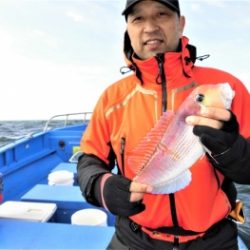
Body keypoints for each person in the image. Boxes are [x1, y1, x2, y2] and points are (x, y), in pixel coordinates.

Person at [77, 0, 250, 249]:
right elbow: (89, 160)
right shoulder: (111, 98)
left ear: (180, 23)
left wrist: (231, 149)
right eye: (138, 18)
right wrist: (101, 186)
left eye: (161, 14)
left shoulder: (225, 85)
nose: (150, 27)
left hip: (214, 238)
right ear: (128, 28)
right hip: (134, 237)